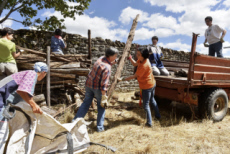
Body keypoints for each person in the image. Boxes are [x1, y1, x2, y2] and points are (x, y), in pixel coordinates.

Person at [0, 62, 47, 152]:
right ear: (43, 73)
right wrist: (34, 105)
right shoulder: (32, 74)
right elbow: (22, 91)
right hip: (0, 101)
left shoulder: (26, 73)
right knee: (2, 134)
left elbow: (23, 94)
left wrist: (31, 102)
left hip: (2, 100)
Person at [73, 47, 118, 132]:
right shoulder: (107, 68)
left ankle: (75, 122)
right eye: (115, 56)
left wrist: (113, 63)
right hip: (98, 88)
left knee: (85, 104)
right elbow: (104, 84)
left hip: (89, 84)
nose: (116, 57)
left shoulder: (100, 58)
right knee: (101, 107)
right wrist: (104, 97)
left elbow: (103, 66)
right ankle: (100, 128)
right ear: (111, 56)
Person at [118, 48, 161, 127]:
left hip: (147, 86)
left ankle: (149, 123)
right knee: (152, 100)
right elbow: (135, 64)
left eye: (138, 54)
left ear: (143, 56)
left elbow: (134, 76)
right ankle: (158, 116)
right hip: (152, 83)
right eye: (137, 53)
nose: (136, 55)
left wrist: (122, 79)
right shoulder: (142, 60)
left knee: (146, 105)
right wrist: (130, 57)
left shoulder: (144, 65)